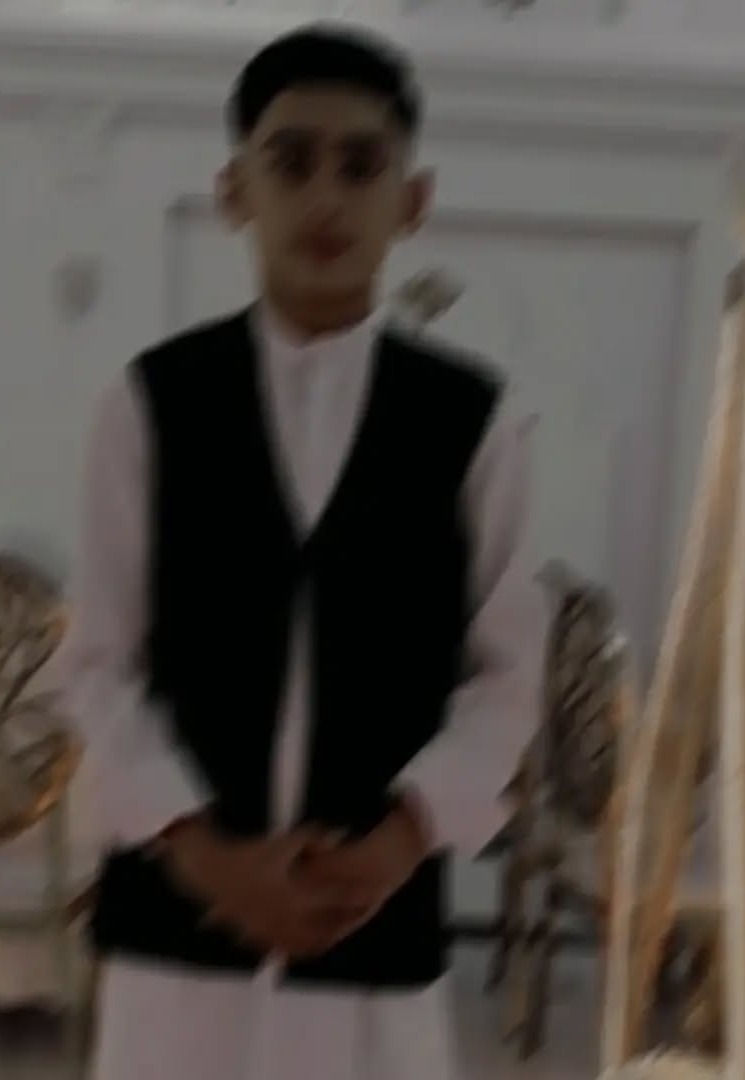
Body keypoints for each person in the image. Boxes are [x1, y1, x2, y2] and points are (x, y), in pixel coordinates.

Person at [58, 22, 547, 1080]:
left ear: (411, 199)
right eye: (291, 162)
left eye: (362, 166)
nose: (326, 198)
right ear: (235, 189)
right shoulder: (151, 405)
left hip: (371, 922)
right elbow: (97, 665)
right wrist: (205, 857)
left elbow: (508, 677)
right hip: (181, 925)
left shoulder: (471, 420)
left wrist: (401, 840)